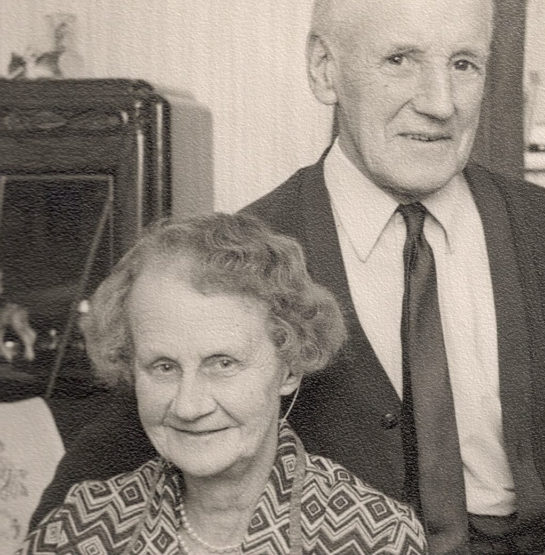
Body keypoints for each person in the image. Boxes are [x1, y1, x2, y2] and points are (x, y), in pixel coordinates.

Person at [33, 0, 545, 553]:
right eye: (399, 60)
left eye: (463, 64)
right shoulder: (242, 262)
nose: (440, 101)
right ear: (325, 69)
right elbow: (102, 479)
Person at [21, 214, 427, 554]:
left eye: (223, 363)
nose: (188, 406)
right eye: (163, 367)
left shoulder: (373, 537)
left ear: (288, 368)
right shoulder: (83, 523)